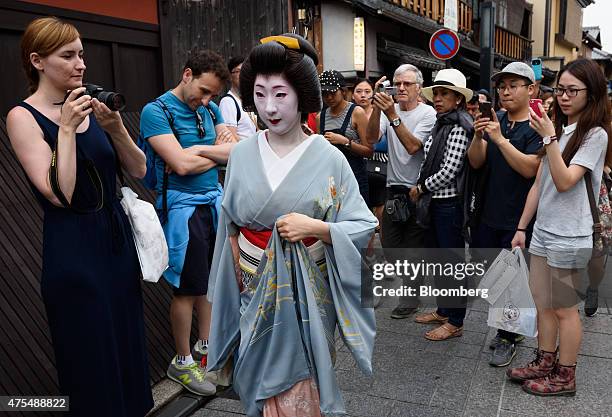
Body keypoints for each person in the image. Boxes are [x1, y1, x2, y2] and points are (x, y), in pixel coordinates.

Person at [206, 34, 377, 417]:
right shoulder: (243, 154)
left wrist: (318, 228)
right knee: (254, 378)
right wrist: (231, 281)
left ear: (302, 95)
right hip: (252, 284)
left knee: (303, 384)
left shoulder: (328, 156)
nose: (269, 107)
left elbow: (363, 223)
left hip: (309, 291)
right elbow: (229, 224)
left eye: (280, 95)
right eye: (261, 94)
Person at [7, 17, 152, 416]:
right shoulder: (23, 117)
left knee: (125, 345)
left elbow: (140, 170)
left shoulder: (90, 104)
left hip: (116, 244)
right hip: (74, 251)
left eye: (82, 54)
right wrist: (67, 130)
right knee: (90, 356)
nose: (81, 64)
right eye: (68, 55)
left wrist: (116, 128)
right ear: (37, 61)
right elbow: (61, 193)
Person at [508, 58, 611, 396]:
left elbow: (566, 181)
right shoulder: (560, 129)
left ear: (591, 94)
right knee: (542, 302)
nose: (564, 97)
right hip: (544, 230)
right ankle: (545, 359)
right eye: (560, 90)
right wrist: (522, 227)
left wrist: (549, 138)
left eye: (572, 91)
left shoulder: (594, 135)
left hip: (570, 235)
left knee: (565, 309)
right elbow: (540, 184)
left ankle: (566, 376)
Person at [140, 49, 236, 395]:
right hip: (182, 209)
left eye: (213, 94)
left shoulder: (208, 109)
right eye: (204, 91)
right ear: (186, 75)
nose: (208, 100)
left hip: (213, 203)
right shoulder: (157, 111)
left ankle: (205, 348)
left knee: (209, 283)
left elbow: (236, 151)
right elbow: (178, 166)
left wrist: (196, 153)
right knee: (186, 287)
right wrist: (211, 154)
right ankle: (181, 361)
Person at [467, 62, 542, 367]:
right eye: (502, 86)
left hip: (518, 219)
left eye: (513, 85)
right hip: (487, 213)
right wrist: (477, 136)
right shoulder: (495, 120)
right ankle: (512, 328)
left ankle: (507, 337)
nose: (506, 91)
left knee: (512, 281)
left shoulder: (538, 126)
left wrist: (499, 139)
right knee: (493, 277)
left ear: (531, 89)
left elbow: (530, 167)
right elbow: (475, 163)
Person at [365, 64, 437, 319]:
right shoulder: (387, 111)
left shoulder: (428, 114)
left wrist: (392, 115)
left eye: (407, 84)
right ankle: (413, 281)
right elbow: (372, 139)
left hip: (418, 189)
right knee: (391, 244)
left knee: (412, 248)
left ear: (419, 88)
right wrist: (376, 107)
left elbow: (413, 147)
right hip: (392, 187)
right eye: (397, 84)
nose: (401, 88)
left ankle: (410, 296)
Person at [410, 69, 474, 341]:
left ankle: (456, 320)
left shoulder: (460, 125)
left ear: (458, 98)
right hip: (435, 203)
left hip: (449, 203)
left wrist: (422, 187)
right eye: (436, 93)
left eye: (444, 93)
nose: (437, 98)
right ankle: (444, 310)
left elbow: (451, 169)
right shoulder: (441, 123)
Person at [316, 70, 373, 204]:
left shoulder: (357, 112)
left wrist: (346, 142)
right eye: (325, 94)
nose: (329, 97)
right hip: (331, 178)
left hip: (355, 175)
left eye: (333, 92)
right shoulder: (321, 117)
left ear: (343, 91)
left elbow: (369, 150)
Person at [219, 56, 257, 140]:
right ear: (230, 76)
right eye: (239, 71)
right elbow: (231, 137)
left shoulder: (246, 101)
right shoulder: (228, 102)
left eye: (246, 71)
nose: (243, 74)